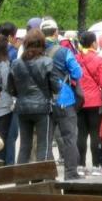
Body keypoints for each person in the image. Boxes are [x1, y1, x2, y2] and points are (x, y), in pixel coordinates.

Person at [9, 29, 62, 164]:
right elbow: (57, 87)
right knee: (43, 146)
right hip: (43, 108)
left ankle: (21, 181)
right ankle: (40, 181)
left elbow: (9, 88)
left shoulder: (16, 63)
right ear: (42, 44)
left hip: (22, 108)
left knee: (24, 147)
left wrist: (21, 95)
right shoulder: (47, 62)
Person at [44, 20, 82, 176]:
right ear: (56, 32)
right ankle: (71, 172)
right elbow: (78, 73)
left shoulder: (33, 51)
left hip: (44, 100)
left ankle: (47, 174)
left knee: (45, 141)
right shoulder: (63, 51)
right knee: (69, 137)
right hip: (63, 99)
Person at [75, 30, 102, 172]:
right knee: (95, 133)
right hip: (94, 101)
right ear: (93, 43)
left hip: (79, 100)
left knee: (81, 134)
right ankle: (96, 166)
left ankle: (80, 165)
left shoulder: (76, 58)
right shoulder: (98, 59)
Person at [0, 34, 15, 163]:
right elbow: (6, 83)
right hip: (4, 103)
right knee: (2, 135)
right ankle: (0, 164)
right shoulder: (3, 62)